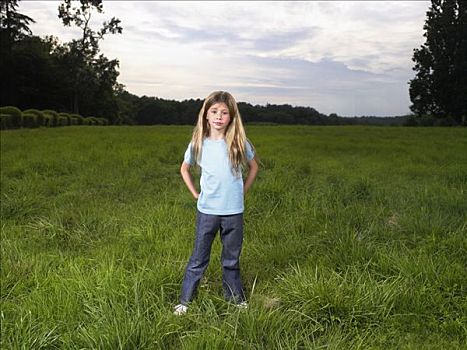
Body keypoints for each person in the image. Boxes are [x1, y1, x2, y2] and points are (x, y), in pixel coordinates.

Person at [174, 91, 259, 315]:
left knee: (231, 259)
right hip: (208, 211)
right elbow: (184, 168)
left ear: (231, 117)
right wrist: (195, 194)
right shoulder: (198, 144)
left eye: (224, 112)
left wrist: (242, 191)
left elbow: (254, 167)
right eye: (214, 112)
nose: (219, 116)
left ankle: (235, 299)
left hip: (234, 212)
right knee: (198, 258)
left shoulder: (239, 143)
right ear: (206, 115)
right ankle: (185, 301)